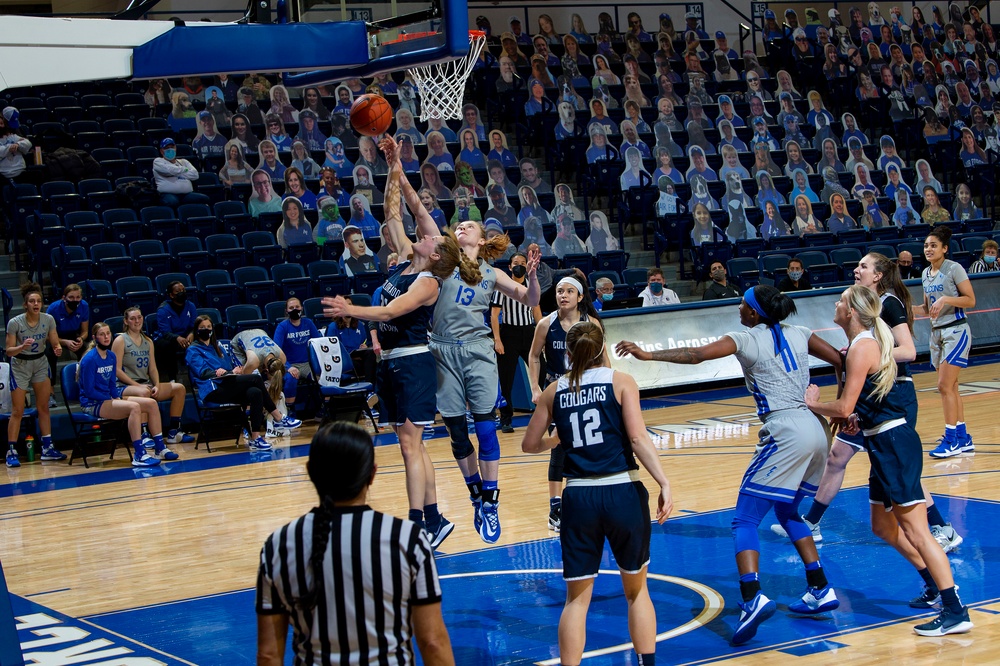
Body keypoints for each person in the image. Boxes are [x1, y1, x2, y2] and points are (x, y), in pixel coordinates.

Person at [617, 285, 843, 646]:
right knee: (788, 512)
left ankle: (752, 597)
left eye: (743, 305)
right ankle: (819, 588)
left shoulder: (746, 338)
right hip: (817, 430)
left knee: (744, 519)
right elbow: (841, 360)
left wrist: (646, 355)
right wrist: (844, 403)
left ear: (754, 313)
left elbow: (696, 355)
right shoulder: (801, 334)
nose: (739, 309)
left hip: (786, 431)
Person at [392, 132, 541, 544]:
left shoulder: (493, 274)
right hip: (442, 350)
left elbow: (529, 300)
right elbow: (420, 210)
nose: (461, 229)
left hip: (476, 351)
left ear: (482, 239)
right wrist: (399, 171)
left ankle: (490, 498)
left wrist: (530, 276)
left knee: (486, 429)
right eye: (459, 226)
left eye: (469, 225)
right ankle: (475, 494)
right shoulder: (444, 257)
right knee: (457, 434)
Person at [804, 286, 973, 637]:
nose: (835, 304)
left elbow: (844, 407)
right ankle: (931, 584)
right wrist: (857, 417)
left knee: (918, 531)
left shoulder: (863, 346)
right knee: (882, 526)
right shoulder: (862, 345)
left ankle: (955, 610)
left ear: (851, 311)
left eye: (840, 301)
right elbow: (859, 406)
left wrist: (812, 403)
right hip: (880, 439)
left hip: (893, 443)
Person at [770, 253, 964, 552]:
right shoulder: (864, 310)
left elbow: (909, 351)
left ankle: (941, 528)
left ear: (878, 276)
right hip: (870, 396)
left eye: (863, 266)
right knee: (838, 458)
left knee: (891, 468)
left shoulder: (889, 303)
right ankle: (812, 521)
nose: (856, 269)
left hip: (893, 394)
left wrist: (865, 355)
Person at [324, 153, 471, 545]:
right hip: (389, 364)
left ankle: (417, 523)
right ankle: (436, 518)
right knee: (413, 445)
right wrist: (391, 167)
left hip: (413, 363)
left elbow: (390, 310)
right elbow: (392, 216)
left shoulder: (428, 282)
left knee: (409, 446)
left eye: (433, 238)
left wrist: (348, 309)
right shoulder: (407, 261)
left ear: (435, 254)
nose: (425, 232)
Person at [523, 321, 670, 665]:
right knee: (636, 592)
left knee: (576, 600)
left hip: (579, 498)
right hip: (622, 491)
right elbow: (637, 438)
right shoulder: (621, 382)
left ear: (568, 353)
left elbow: (530, 444)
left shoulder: (553, 390)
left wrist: (556, 439)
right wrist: (664, 482)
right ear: (603, 349)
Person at [256, 422, 454, 665]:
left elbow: (268, 655)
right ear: (372, 473)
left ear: (310, 472)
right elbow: (432, 642)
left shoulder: (279, 544)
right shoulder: (407, 539)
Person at [527, 276, 604, 531]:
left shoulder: (591, 324)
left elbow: (603, 360)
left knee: (589, 446)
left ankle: (588, 500)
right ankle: (555, 507)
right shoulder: (545, 324)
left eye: (570, 291)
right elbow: (534, 356)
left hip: (584, 390)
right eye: (560, 291)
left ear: (580, 297)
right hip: (558, 390)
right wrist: (536, 388)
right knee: (558, 449)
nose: (563, 295)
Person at [185, 316, 296, 452]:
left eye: (208, 327)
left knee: (256, 393)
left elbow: (228, 367)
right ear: (196, 331)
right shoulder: (193, 350)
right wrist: (217, 372)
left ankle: (255, 438)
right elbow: (202, 372)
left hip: (228, 385)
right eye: (202, 328)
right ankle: (278, 417)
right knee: (255, 379)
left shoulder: (218, 347)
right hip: (212, 390)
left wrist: (235, 370)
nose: (206, 330)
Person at [914, 226, 977, 458]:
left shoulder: (954, 268)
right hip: (936, 334)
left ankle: (951, 440)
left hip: (956, 331)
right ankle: (963, 437)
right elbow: (926, 308)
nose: (928, 249)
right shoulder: (925, 274)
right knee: (951, 387)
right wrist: (904, 310)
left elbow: (970, 300)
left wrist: (946, 299)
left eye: (933, 245)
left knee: (943, 386)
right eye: (926, 246)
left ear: (945, 248)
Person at [77, 322, 169, 467]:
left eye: (108, 333)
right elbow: (89, 392)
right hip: (92, 403)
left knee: (151, 403)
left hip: (107, 398)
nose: (106, 337)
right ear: (95, 338)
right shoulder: (90, 359)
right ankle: (139, 454)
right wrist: (112, 398)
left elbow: (112, 383)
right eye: (102, 334)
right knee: (134, 407)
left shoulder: (111, 356)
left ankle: (160, 448)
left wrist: (116, 397)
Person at [112, 307, 192, 452]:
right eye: (132, 318)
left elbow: (153, 368)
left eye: (139, 317)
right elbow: (116, 370)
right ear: (126, 321)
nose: (137, 321)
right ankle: (143, 434)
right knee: (143, 393)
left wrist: (156, 385)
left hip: (145, 384)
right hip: (124, 386)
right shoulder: (120, 340)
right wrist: (137, 385)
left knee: (179, 388)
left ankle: (174, 431)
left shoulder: (148, 341)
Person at [5, 283, 63, 467]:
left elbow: (54, 341)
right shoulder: (15, 323)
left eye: (38, 301)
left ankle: (47, 447)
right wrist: (21, 346)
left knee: (43, 406)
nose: (36, 304)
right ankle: (11, 450)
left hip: (40, 362)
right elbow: (9, 351)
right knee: (18, 410)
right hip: (20, 364)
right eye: (32, 301)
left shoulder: (48, 319)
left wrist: (58, 347)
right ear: (25, 304)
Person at [491, 252, 542, 434]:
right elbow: (494, 315)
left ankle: (544, 412)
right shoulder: (502, 287)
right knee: (506, 379)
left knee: (541, 373)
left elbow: (537, 312)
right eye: (516, 263)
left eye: (522, 262)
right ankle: (506, 419)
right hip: (509, 334)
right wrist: (497, 339)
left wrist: (541, 335)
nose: (519, 265)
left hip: (528, 332)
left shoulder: (531, 285)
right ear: (510, 267)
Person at [273, 297, 321, 418]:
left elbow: (318, 342)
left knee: (322, 376)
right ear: (286, 311)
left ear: (302, 309)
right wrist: (288, 367)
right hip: (289, 364)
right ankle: (290, 410)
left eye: (297, 307)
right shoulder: (282, 327)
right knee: (291, 379)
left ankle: (322, 407)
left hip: (307, 364)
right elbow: (276, 350)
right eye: (291, 308)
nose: (295, 310)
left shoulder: (308, 323)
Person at [45, 283, 90, 382]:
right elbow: (46, 335)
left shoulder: (84, 306)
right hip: (55, 336)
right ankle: (51, 386)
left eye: (77, 297)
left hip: (74, 334)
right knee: (50, 354)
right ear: (64, 298)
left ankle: (84, 380)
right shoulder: (53, 308)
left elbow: (85, 331)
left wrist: (81, 339)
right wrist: (64, 342)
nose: (74, 300)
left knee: (87, 351)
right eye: (71, 297)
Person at [152, 138, 207, 207]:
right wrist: (184, 170)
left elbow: (195, 175)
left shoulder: (184, 161)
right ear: (161, 151)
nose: (170, 149)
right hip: (167, 194)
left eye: (172, 147)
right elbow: (168, 171)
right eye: (167, 148)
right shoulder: (158, 161)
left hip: (186, 194)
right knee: (172, 202)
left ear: (175, 148)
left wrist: (176, 172)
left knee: (204, 198)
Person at [0, 106, 30, 187]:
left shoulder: (13, 136)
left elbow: (27, 143)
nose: (1, 126)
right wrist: (10, 147)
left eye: (2, 124)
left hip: (19, 169)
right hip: (3, 172)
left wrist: (18, 144)